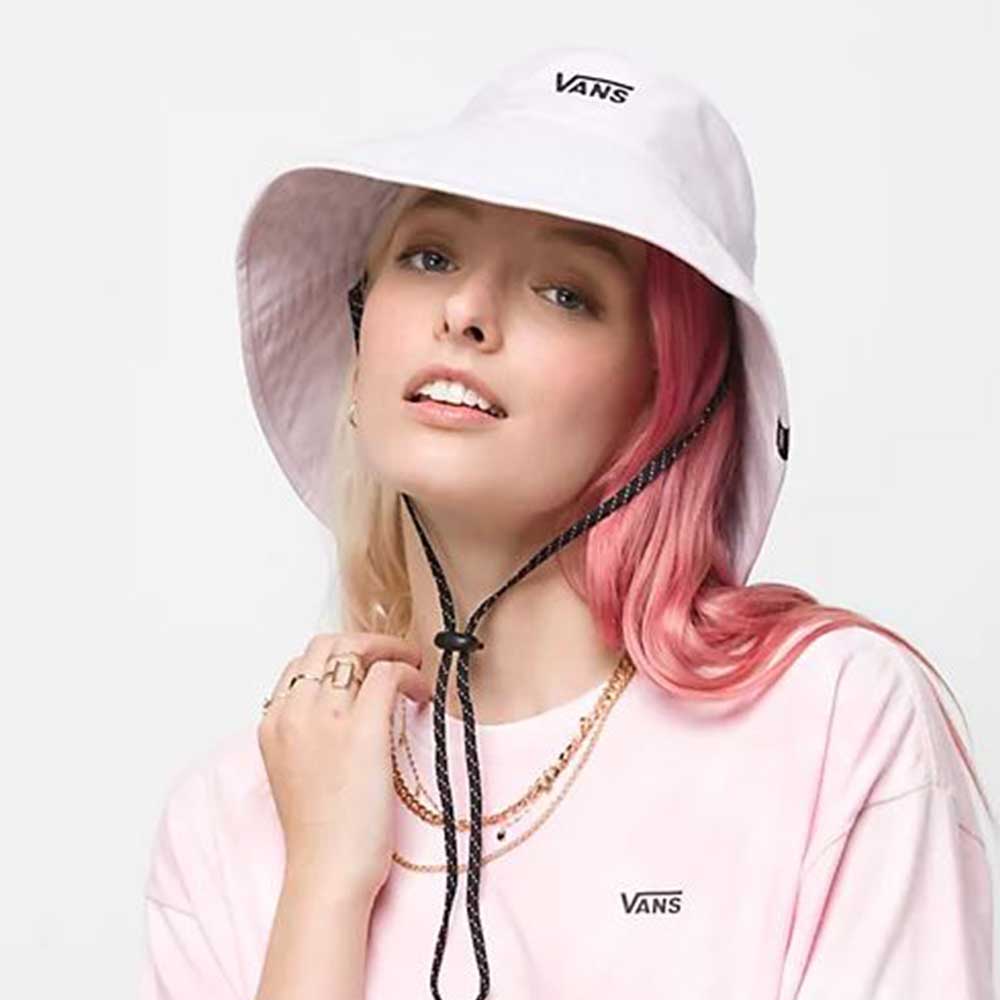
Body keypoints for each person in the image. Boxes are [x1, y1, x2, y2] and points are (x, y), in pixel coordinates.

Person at [140, 45, 996, 999]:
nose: (465, 311)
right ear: (358, 336)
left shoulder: (832, 721)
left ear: (669, 399)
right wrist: (324, 891)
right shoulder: (231, 818)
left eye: (566, 292)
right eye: (430, 255)